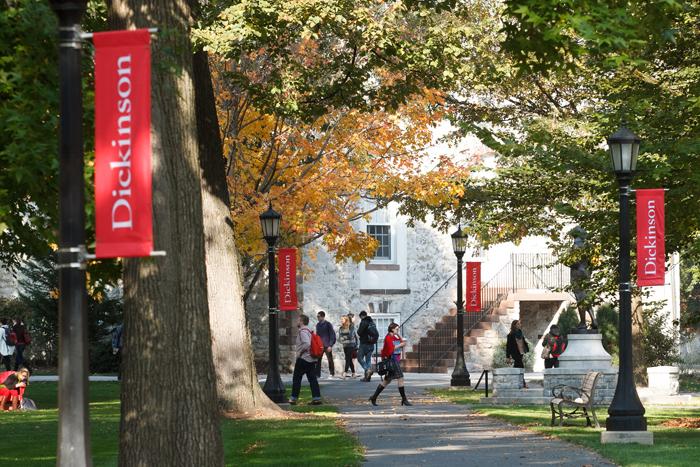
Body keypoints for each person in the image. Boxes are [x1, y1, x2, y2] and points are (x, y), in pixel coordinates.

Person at [369, 322, 412, 406]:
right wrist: (400, 345)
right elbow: (390, 349)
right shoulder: (388, 338)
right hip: (391, 360)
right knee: (401, 378)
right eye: (397, 329)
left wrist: (401, 340)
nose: (398, 330)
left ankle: (374, 397)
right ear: (392, 329)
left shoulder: (395, 336)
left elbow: (401, 342)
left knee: (386, 381)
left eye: (398, 329)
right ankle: (404, 399)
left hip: (394, 360)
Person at [289, 314, 322, 405]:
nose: (297, 321)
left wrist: (300, 353)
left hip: (304, 359)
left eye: (298, 320)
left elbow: (307, 344)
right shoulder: (309, 331)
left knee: (297, 378)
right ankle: (316, 398)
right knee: (312, 379)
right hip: (311, 359)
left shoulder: (302, 332)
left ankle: (293, 398)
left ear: (302, 321)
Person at [506, 319, 529, 388]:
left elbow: (523, 342)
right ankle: (523, 383)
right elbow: (508, 346)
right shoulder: (511, 335)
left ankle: (516, 382)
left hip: (520, 353)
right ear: (514, 325)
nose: (520, 325)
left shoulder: (520, 332)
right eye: (518, 324)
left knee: (517, 368)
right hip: (515, 353)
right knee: (520, 367)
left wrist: (526, 348)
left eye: (520, 324)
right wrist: (507, 356)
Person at [356, 311, 378, 382]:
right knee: (368, 360)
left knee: (359, 358)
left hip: (364, 344)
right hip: (371, 344)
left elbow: (359, 332)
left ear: (362, 316)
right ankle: (367, 378)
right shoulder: (372, 322)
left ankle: (367, 369)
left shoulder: (364, 322)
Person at [315, 311, 336, 379]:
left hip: (327, 345)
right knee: (318, 360)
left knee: (330, 359)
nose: (318, 318)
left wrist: (330, 345)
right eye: (317, 316)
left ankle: (332, 373)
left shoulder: (328, 324)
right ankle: (317, 374)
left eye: (319, 316)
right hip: (320, 346)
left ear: (323, 316)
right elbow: (317, 335)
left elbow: (332, 334)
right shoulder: (317, 325)